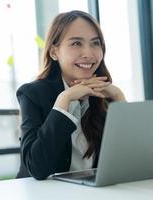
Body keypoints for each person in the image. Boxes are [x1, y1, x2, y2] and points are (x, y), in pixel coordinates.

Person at [16, 10, 126, 180]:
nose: (88, 53)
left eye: (95, 43)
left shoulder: (103, 94)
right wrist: (64, 100)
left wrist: (119, 99)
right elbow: (37, 168)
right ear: (54, 52)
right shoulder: (32, 94)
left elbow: (126, 160)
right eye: (76, 43)